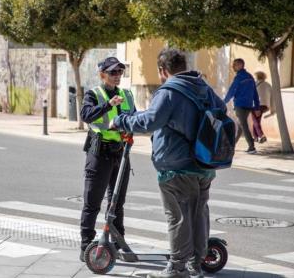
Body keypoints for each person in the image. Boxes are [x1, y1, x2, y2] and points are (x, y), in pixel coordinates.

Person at [111, 48, 226, 278]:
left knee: (179, 216)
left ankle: (176, 268)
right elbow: (222, 112)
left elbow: (150, 121)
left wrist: (121, 120)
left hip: (176, 166)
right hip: (205, 165)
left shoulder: (169, 92)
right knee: (199, 214)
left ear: (162, 70)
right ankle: (195, 264)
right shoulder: (203, 88)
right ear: (184, 66)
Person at [79, 57, 135, 262]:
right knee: (92, 202)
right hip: (99, 153)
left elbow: (134, 119)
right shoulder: (94, 94)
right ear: (102, 74)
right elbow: (86, 115)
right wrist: (108, 104)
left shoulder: (127, 94)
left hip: (120, 153)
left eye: (120, 72)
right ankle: (86, 246)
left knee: (117, 203)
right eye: (112, 72)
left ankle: (118, 244)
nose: (117, 76)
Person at [224, 58, 260, 154]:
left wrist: (223, 102)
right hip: (248, 105)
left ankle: (251, 147)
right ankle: (232, 145)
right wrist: (256, 106)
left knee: (243, 126)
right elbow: (255, 93)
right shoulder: (250, 77)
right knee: (240, 126)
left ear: (240, 65)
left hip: (240, 105)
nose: (233, 67)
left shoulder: (238, 77)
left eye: (235, 65)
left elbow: (232, 91)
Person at [252, 71, 274, 143]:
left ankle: (261, 136)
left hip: (255, 105)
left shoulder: (254, 84)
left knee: (255, 121)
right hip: (264, 105)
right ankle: (255, 137)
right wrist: (271, 108)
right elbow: (272, 97)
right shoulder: (268, 85)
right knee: (256, 121)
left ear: (257, 76)